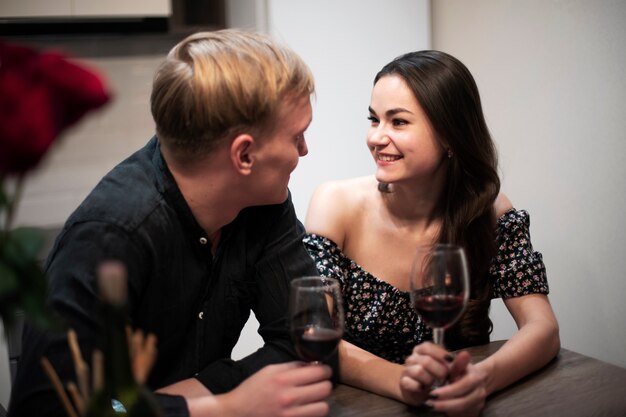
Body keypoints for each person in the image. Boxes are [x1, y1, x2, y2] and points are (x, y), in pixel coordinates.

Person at [9, 29, 333, 417]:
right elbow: (49, 408)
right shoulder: (112, 235)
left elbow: (309, 345)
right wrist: (223, 407)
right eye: (297, 136)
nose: (304, 151)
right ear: (244, 155)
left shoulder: (264, 201)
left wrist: (191, 393)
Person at [303, 50, 560, 417]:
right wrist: (402, 380)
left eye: (399, 122)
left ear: (450, 136)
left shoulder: (489, 211)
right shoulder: (335, 203)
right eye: (374, 119)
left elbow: (543, 329)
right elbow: (316, 335)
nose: (377, 137)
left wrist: (482, 378)